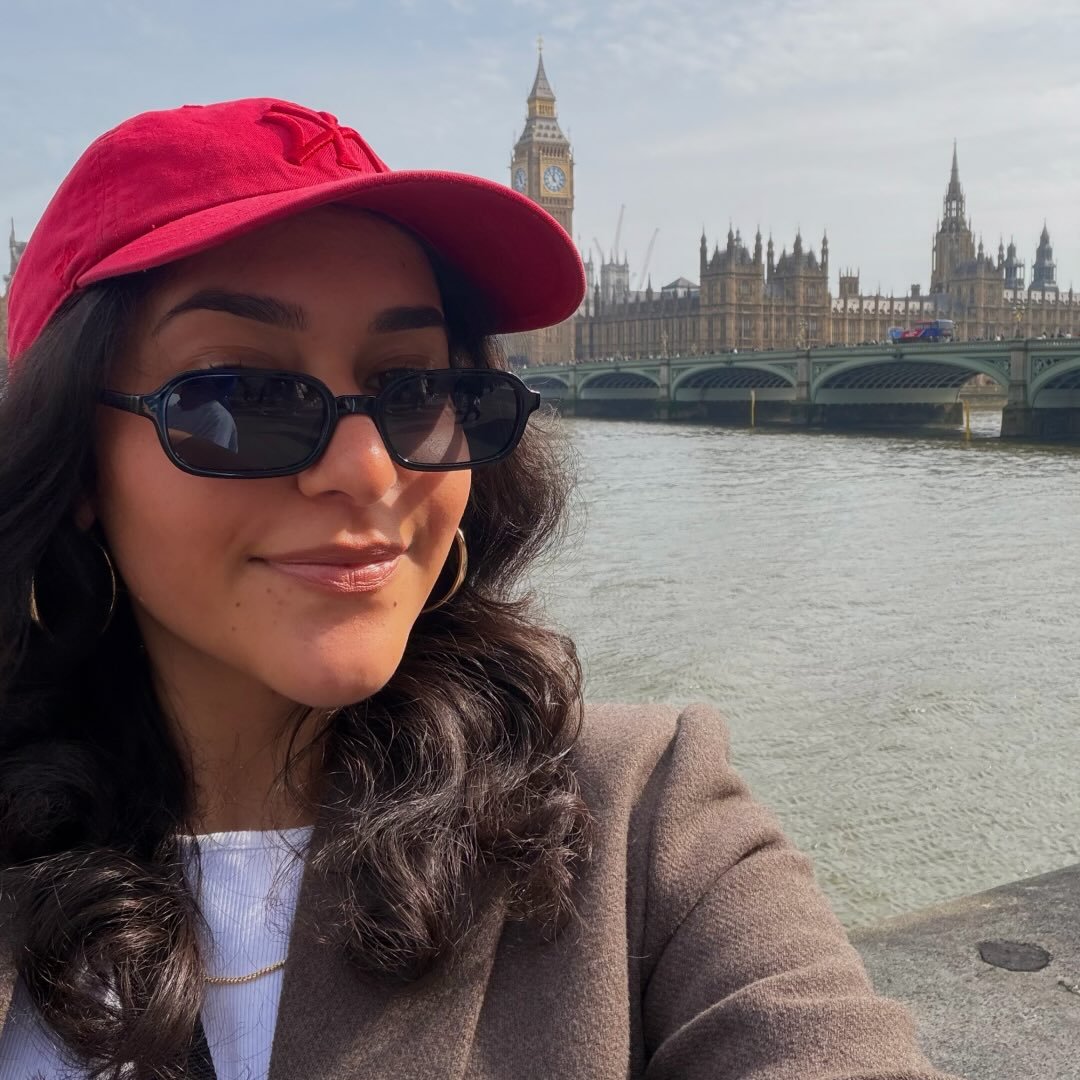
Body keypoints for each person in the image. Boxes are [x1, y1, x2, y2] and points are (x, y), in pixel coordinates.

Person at [0, 98, 962, 1080]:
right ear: (74, 455)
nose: (369, 469)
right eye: (243, 394)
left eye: (415, 387)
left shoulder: (641, 824)